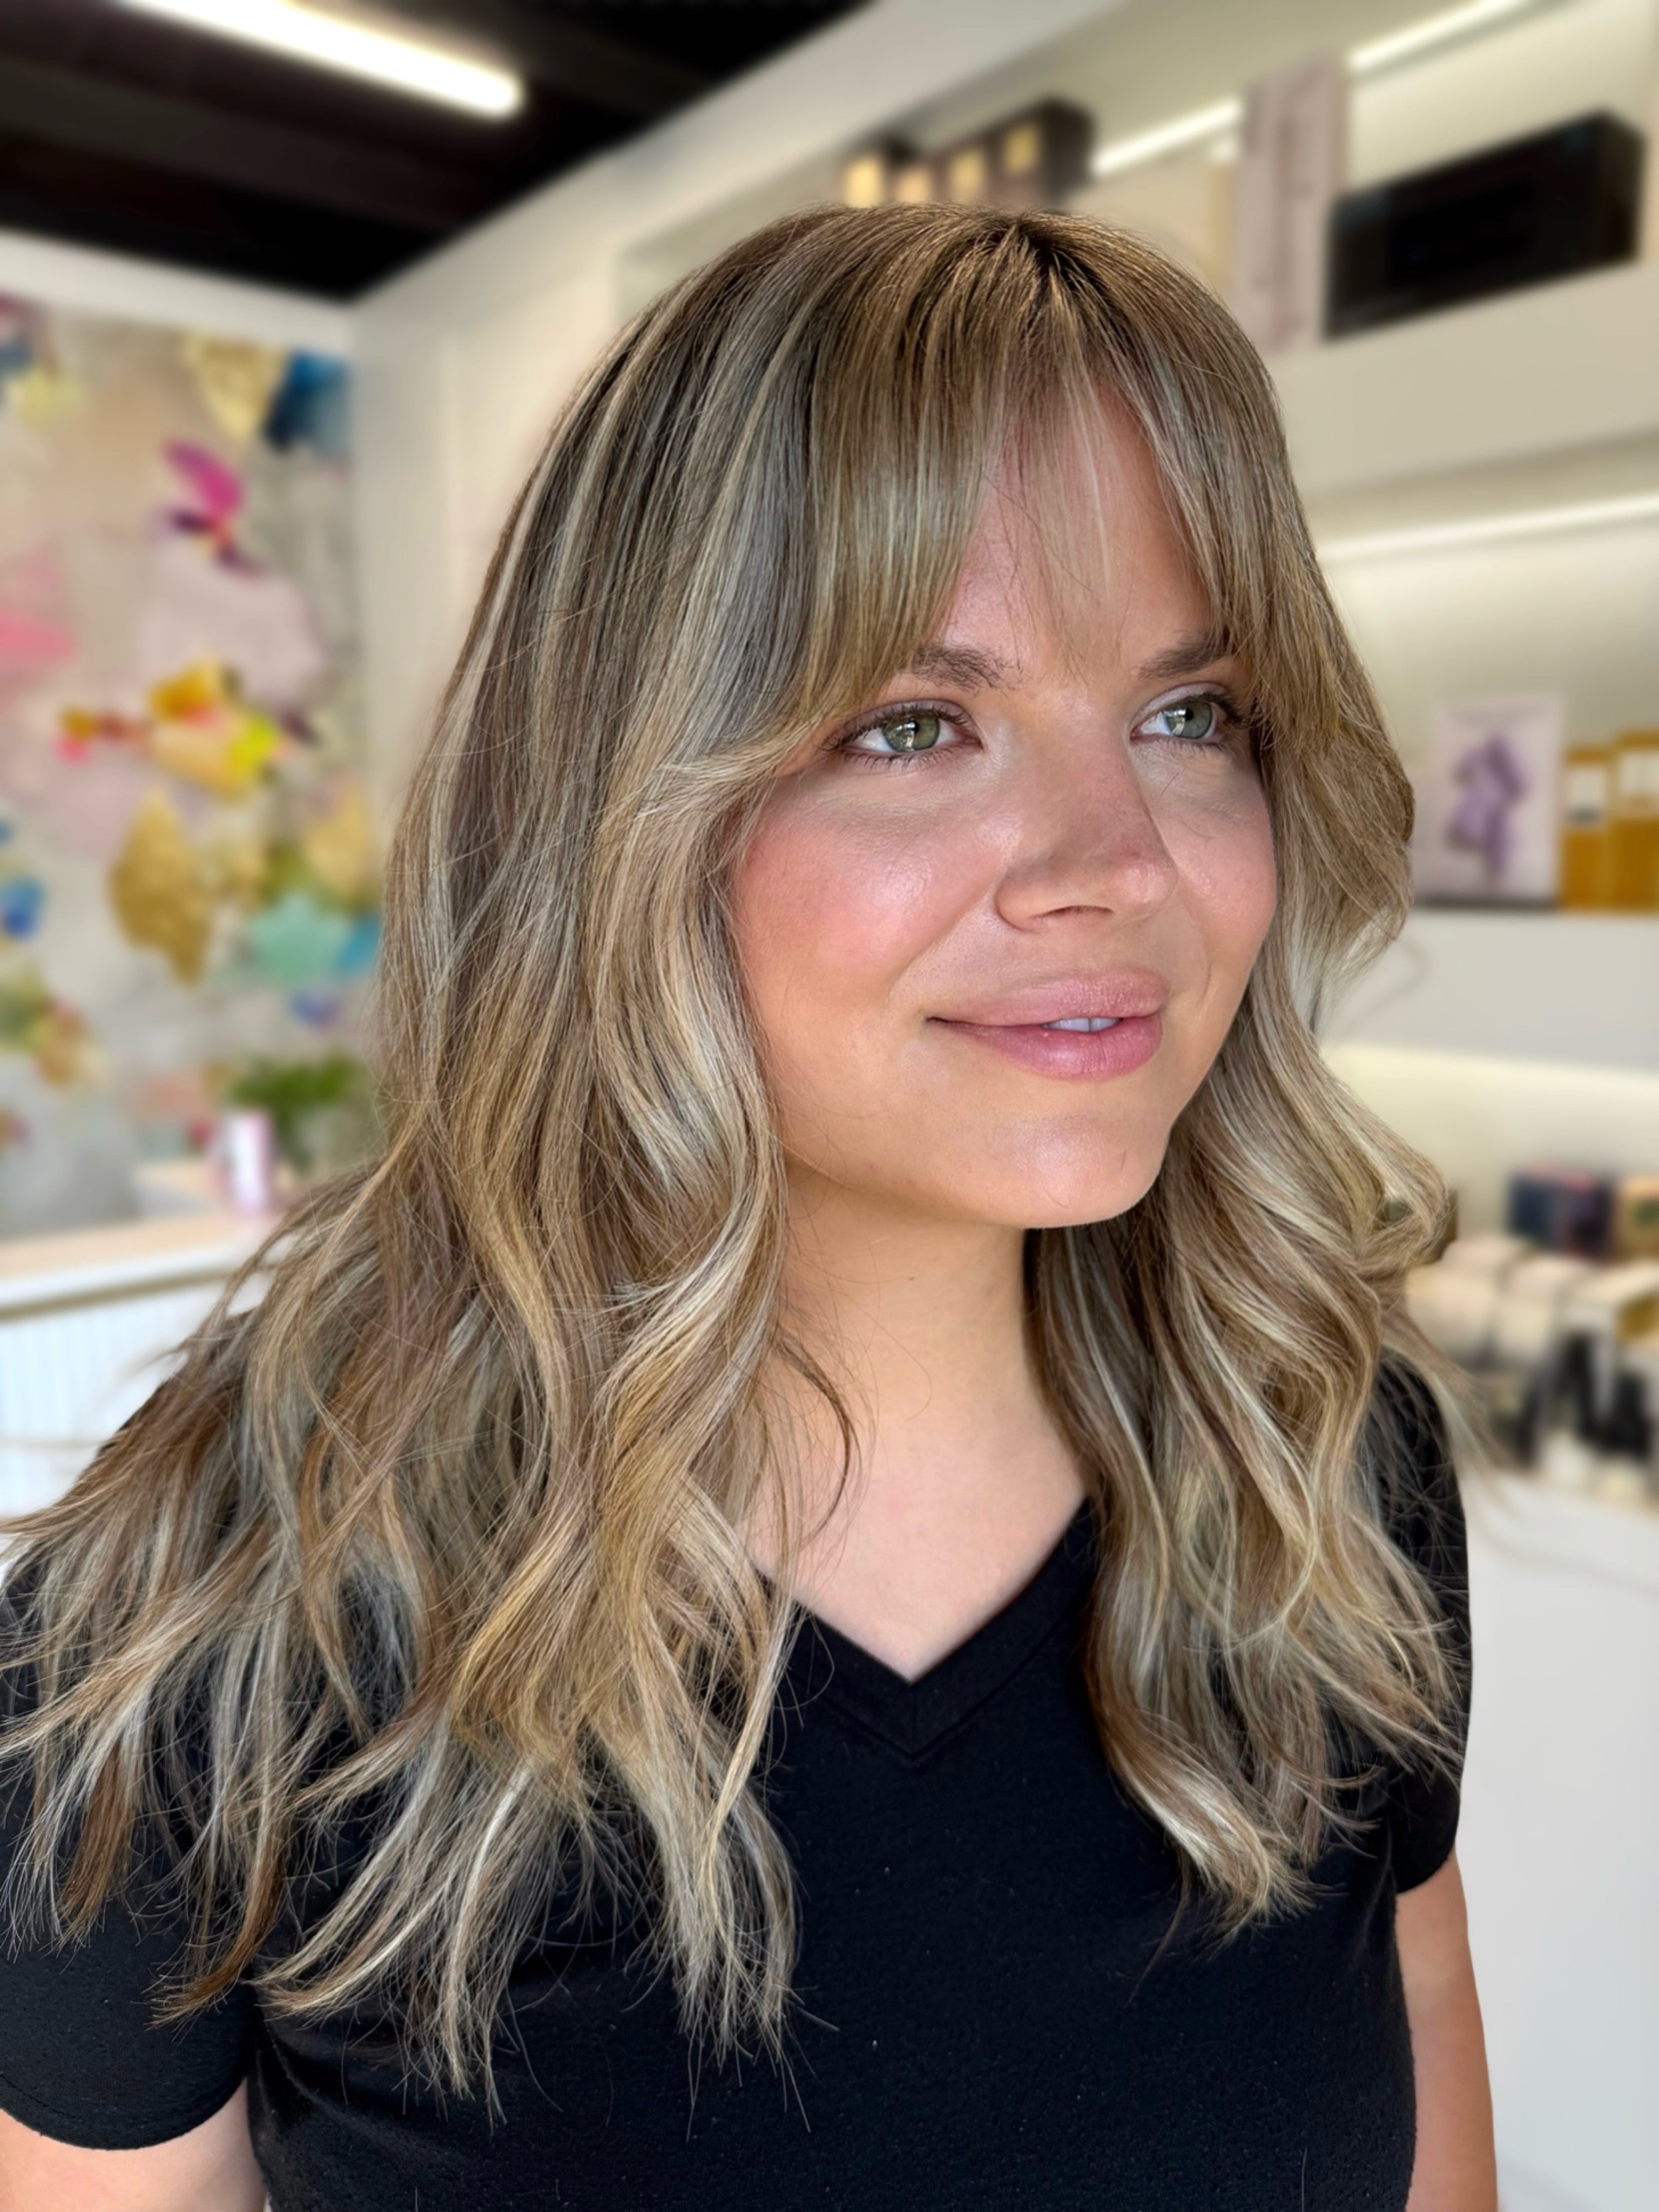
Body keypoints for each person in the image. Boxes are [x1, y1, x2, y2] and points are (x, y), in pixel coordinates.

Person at [0, 205, 1495, 2211]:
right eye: (911, 725)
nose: (1114, 860)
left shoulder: (1322, 1467)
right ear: (614, 810)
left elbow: (1429, 2050)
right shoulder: (192, 1639)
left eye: (1189, 715)